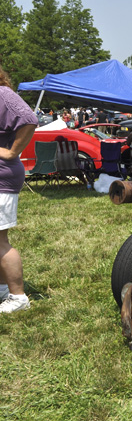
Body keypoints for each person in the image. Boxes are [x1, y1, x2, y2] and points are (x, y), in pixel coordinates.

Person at [0, 65, 37, 313]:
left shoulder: (3, 94)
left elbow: (29, 119)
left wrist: (12, 152)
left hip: (2, 178)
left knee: (0, 241)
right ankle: (4, 290)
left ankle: (18, 298)